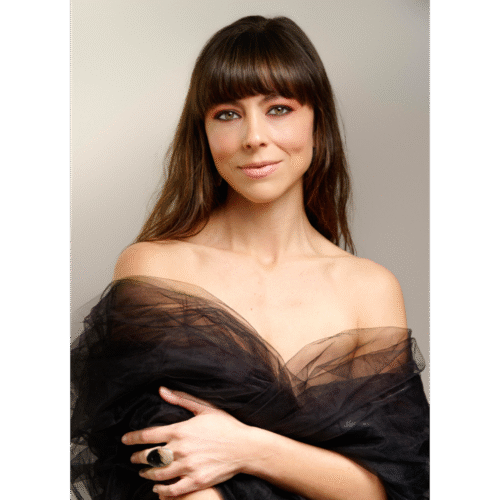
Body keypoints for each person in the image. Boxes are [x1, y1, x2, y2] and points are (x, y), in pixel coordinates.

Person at [70, 15, 429, 500]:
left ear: (318, 122)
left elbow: (390, 488)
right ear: (203, 132)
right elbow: (159, 463)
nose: (253, 137)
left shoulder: (369, 288)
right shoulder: (156, 268)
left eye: (279, 109)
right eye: (227, 114)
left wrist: (249, 448)